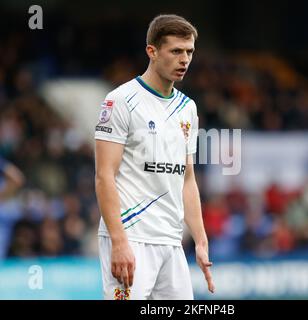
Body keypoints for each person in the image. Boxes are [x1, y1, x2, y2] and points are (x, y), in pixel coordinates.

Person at [95, 14, 214, 300]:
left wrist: (200, 239)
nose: (184, 59)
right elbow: (104, 176)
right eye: (176, 51)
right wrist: (119, 241)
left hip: (171, 242)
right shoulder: (120, 101)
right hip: (132, 237)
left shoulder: (188, 108)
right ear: (152, 51)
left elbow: (186, 178)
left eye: (189, 52)